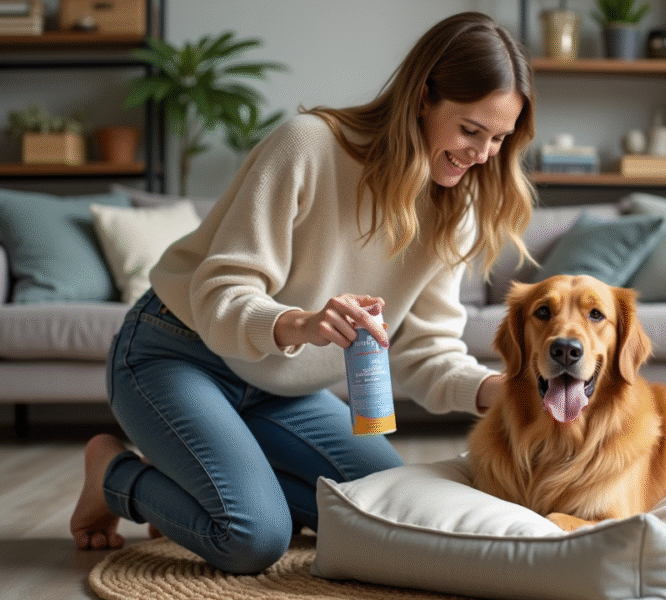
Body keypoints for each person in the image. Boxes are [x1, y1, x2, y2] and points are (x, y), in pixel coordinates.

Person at [70, 11, 535, 574]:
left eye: (499, 138)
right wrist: (299, 323)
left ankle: (212, 477)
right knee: (253, 537)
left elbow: (425, 352)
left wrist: (503, 391)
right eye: (469, 130)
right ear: (421, 99)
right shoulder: (308, 145)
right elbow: (222, 290)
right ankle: (112, 474)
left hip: (279, 389)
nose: (482, 155)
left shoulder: (454, 206)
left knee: (389, 512)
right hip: (178, 350)